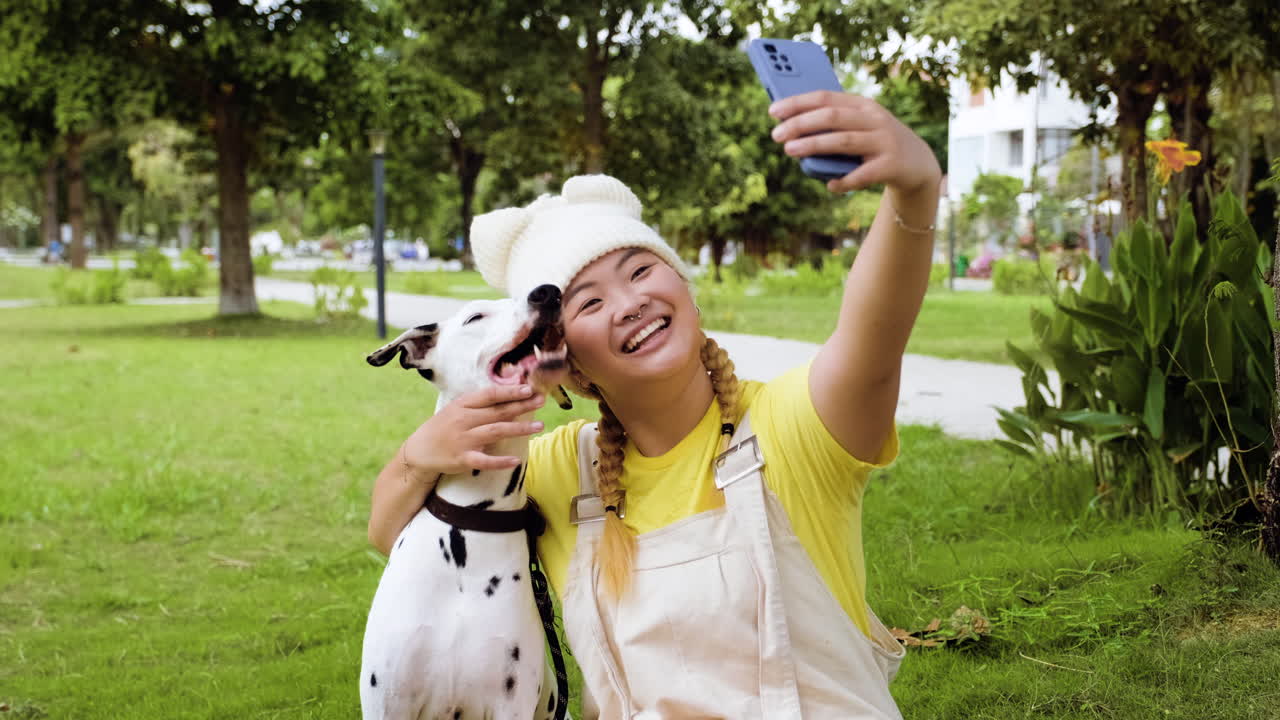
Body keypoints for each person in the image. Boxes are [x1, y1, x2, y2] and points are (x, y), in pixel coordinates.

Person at [368, 89, 941, 718]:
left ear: (688, 295)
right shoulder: (561, 470)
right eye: (589, 302)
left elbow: (875, 333)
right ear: (569, 367)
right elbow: (390, 533)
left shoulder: (796, 429)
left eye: (641, 271)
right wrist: (420, 455)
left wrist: (914, 193)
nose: (629, 302)